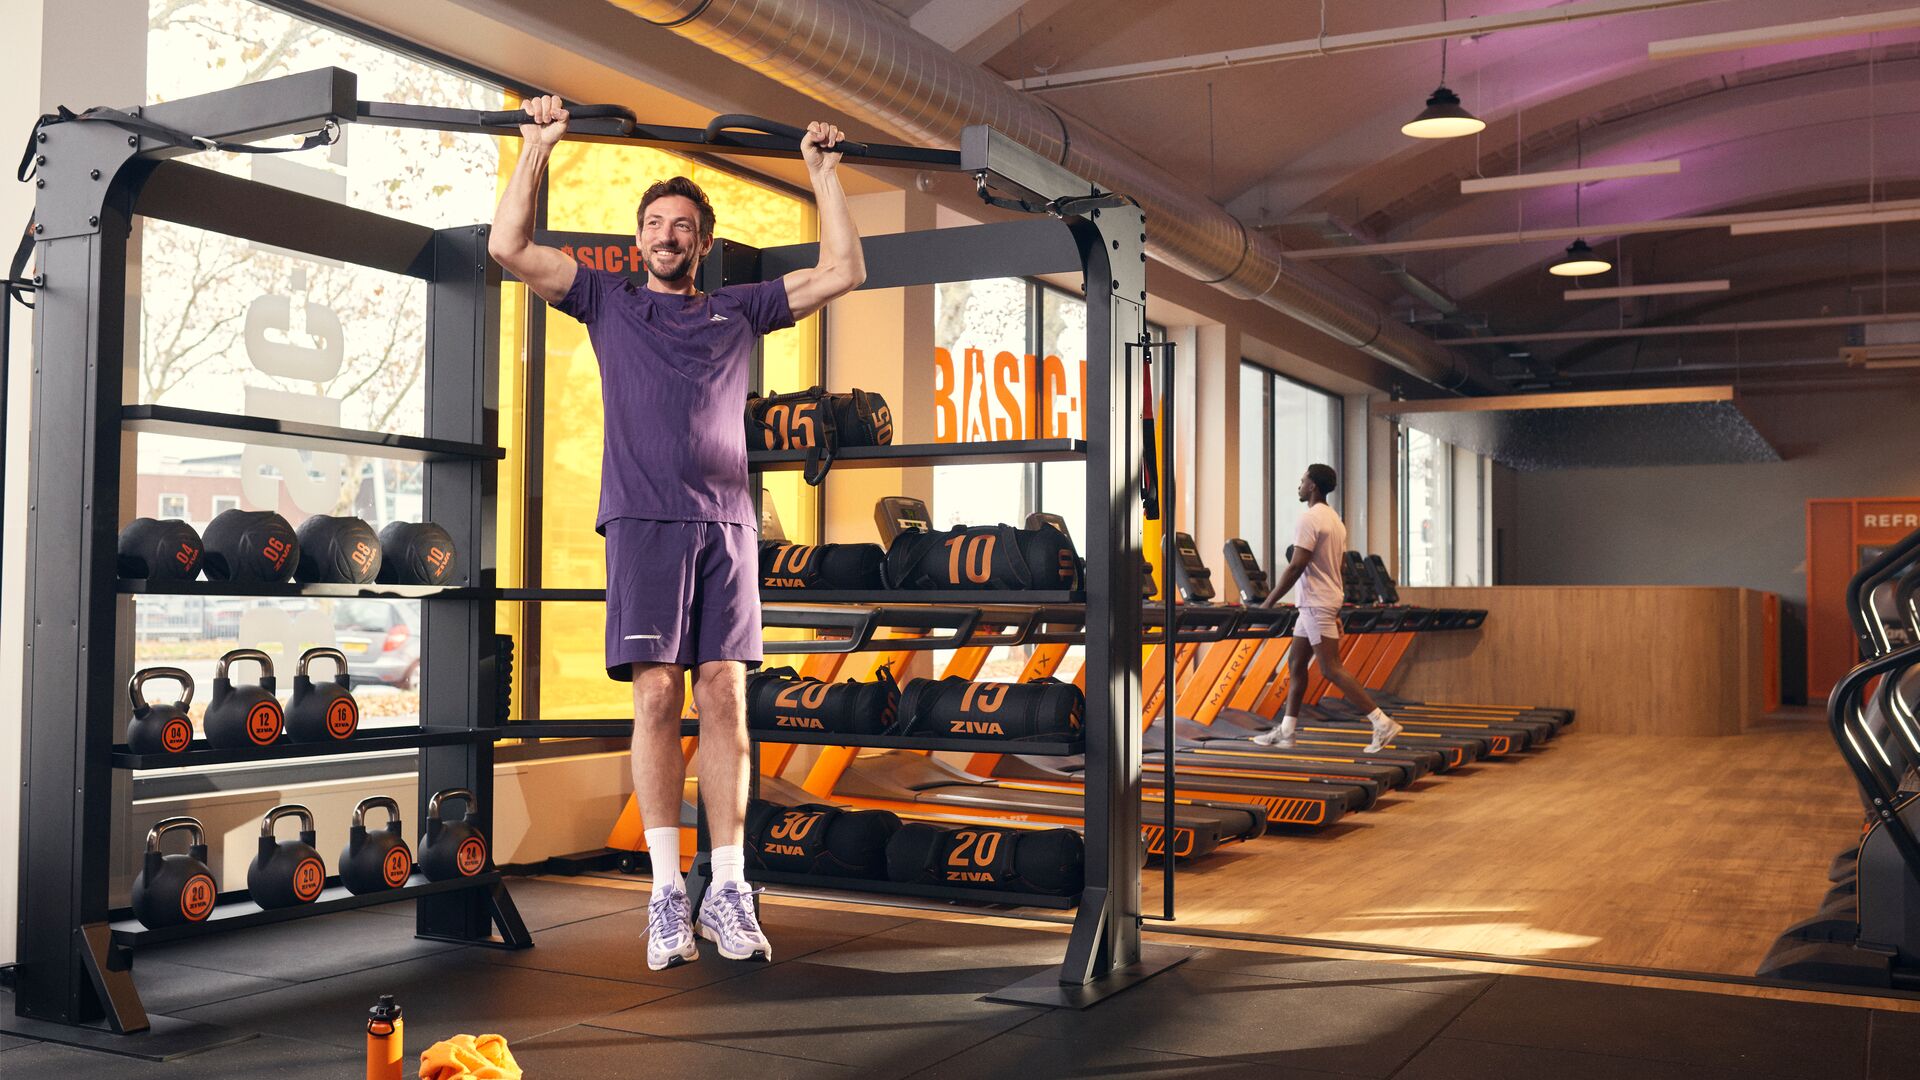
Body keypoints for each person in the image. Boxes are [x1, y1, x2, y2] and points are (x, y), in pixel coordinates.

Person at [487, 96, 866, 970]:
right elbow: (509, 248)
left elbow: (844, 268)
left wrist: (823, 173)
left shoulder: (742, 310)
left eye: (683, 225)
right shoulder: (610, 305)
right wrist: (538, 147)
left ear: (703, 242)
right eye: (655, 222)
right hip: (645, 523)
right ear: (639, 239)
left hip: (728, 524)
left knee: (726, 696)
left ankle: (727, 887)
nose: (668, 234)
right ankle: (665, 895)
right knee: (658, 696)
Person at [1253, 463, 1402, 753]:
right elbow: (1341, 565)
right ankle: (1287, 730)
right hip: (1319, 602)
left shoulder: (1308, 519)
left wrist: (1268, 602)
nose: (1299, 484)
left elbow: (1297, 564)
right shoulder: (1335, 520)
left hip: (1315, 603)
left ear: (1313, 487)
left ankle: (1381, 722)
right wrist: (1335, 608)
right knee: (1296, 664)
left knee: (1331, 668)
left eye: (1303, 479)